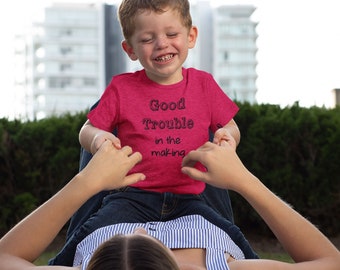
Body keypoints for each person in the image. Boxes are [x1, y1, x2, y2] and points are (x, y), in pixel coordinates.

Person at [1, 141, 339, 270]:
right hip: (198, 205)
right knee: (199, 126)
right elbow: (328, 262)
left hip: (112, 203)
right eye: (148, 240)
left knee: (106, 128)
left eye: (121, 242)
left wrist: (86, 184)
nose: (139, 230)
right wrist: (242, 179)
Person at [79, 0, 241, 196]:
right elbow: (86, 130)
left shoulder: (204, 85)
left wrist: (228, 136)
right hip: (131, 196)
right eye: (147, 39)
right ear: (130, 49)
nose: (162, 44)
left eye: (172, 34)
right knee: (99, 228)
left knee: (225, 229)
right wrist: (97, 138)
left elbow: (232, 127)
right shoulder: (121, 89)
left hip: (191, 199)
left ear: (191, 36)